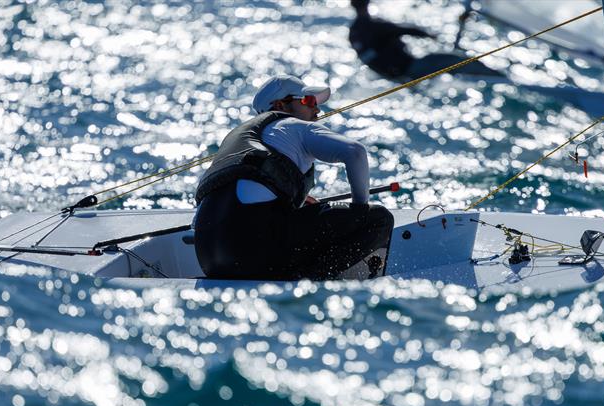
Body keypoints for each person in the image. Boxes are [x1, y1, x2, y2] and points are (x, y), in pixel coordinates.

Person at [193, 75, 394, 281]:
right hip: (256, 252)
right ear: (281, 105)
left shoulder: (238, 138)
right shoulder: (291, 125)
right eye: (308, 101)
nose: (317, 110)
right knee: (378, 219)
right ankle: (310, 279)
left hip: (209, 259)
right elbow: (355, 152)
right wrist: (360, 214)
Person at [349, 0, 504, 80]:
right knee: (456, 60)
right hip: (410, 68)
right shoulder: (374, 25)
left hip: (396, 76)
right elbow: (405, 30)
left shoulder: (354, 32)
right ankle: (498, 78)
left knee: (445, 62)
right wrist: (431, 35)